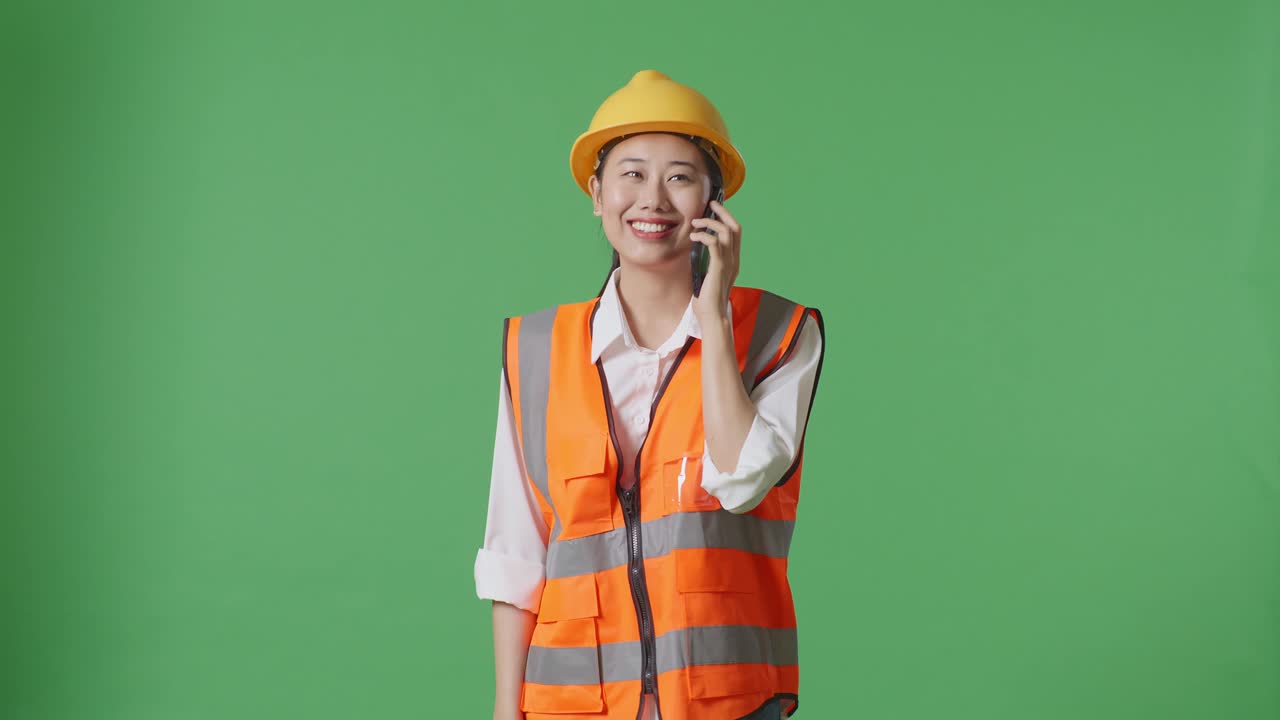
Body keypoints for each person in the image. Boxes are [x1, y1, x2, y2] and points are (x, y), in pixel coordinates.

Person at [474, 70, 826, 720]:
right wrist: (504, 709)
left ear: (714, 204)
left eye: (680, 177)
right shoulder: (535, 350)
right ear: (596, 192)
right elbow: (514, 550)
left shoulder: (780, 335)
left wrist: (714, 316)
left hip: (725, 706)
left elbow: (744, 478)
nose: (652, 199)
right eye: (631, 174)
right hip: (568, 706)